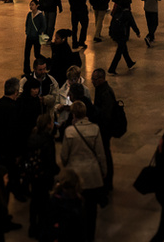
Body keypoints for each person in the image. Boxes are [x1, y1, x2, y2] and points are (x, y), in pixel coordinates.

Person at [58, 100, 109, 236]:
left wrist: (67, 167)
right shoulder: (95, 129)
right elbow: (100, 153)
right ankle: (90, 235)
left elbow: (64, 155)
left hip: (75, 175)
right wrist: (103, 171)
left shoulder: (69, 131)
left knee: (76, 208)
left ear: (73, 114)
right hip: (92, 174)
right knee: (91, 208)